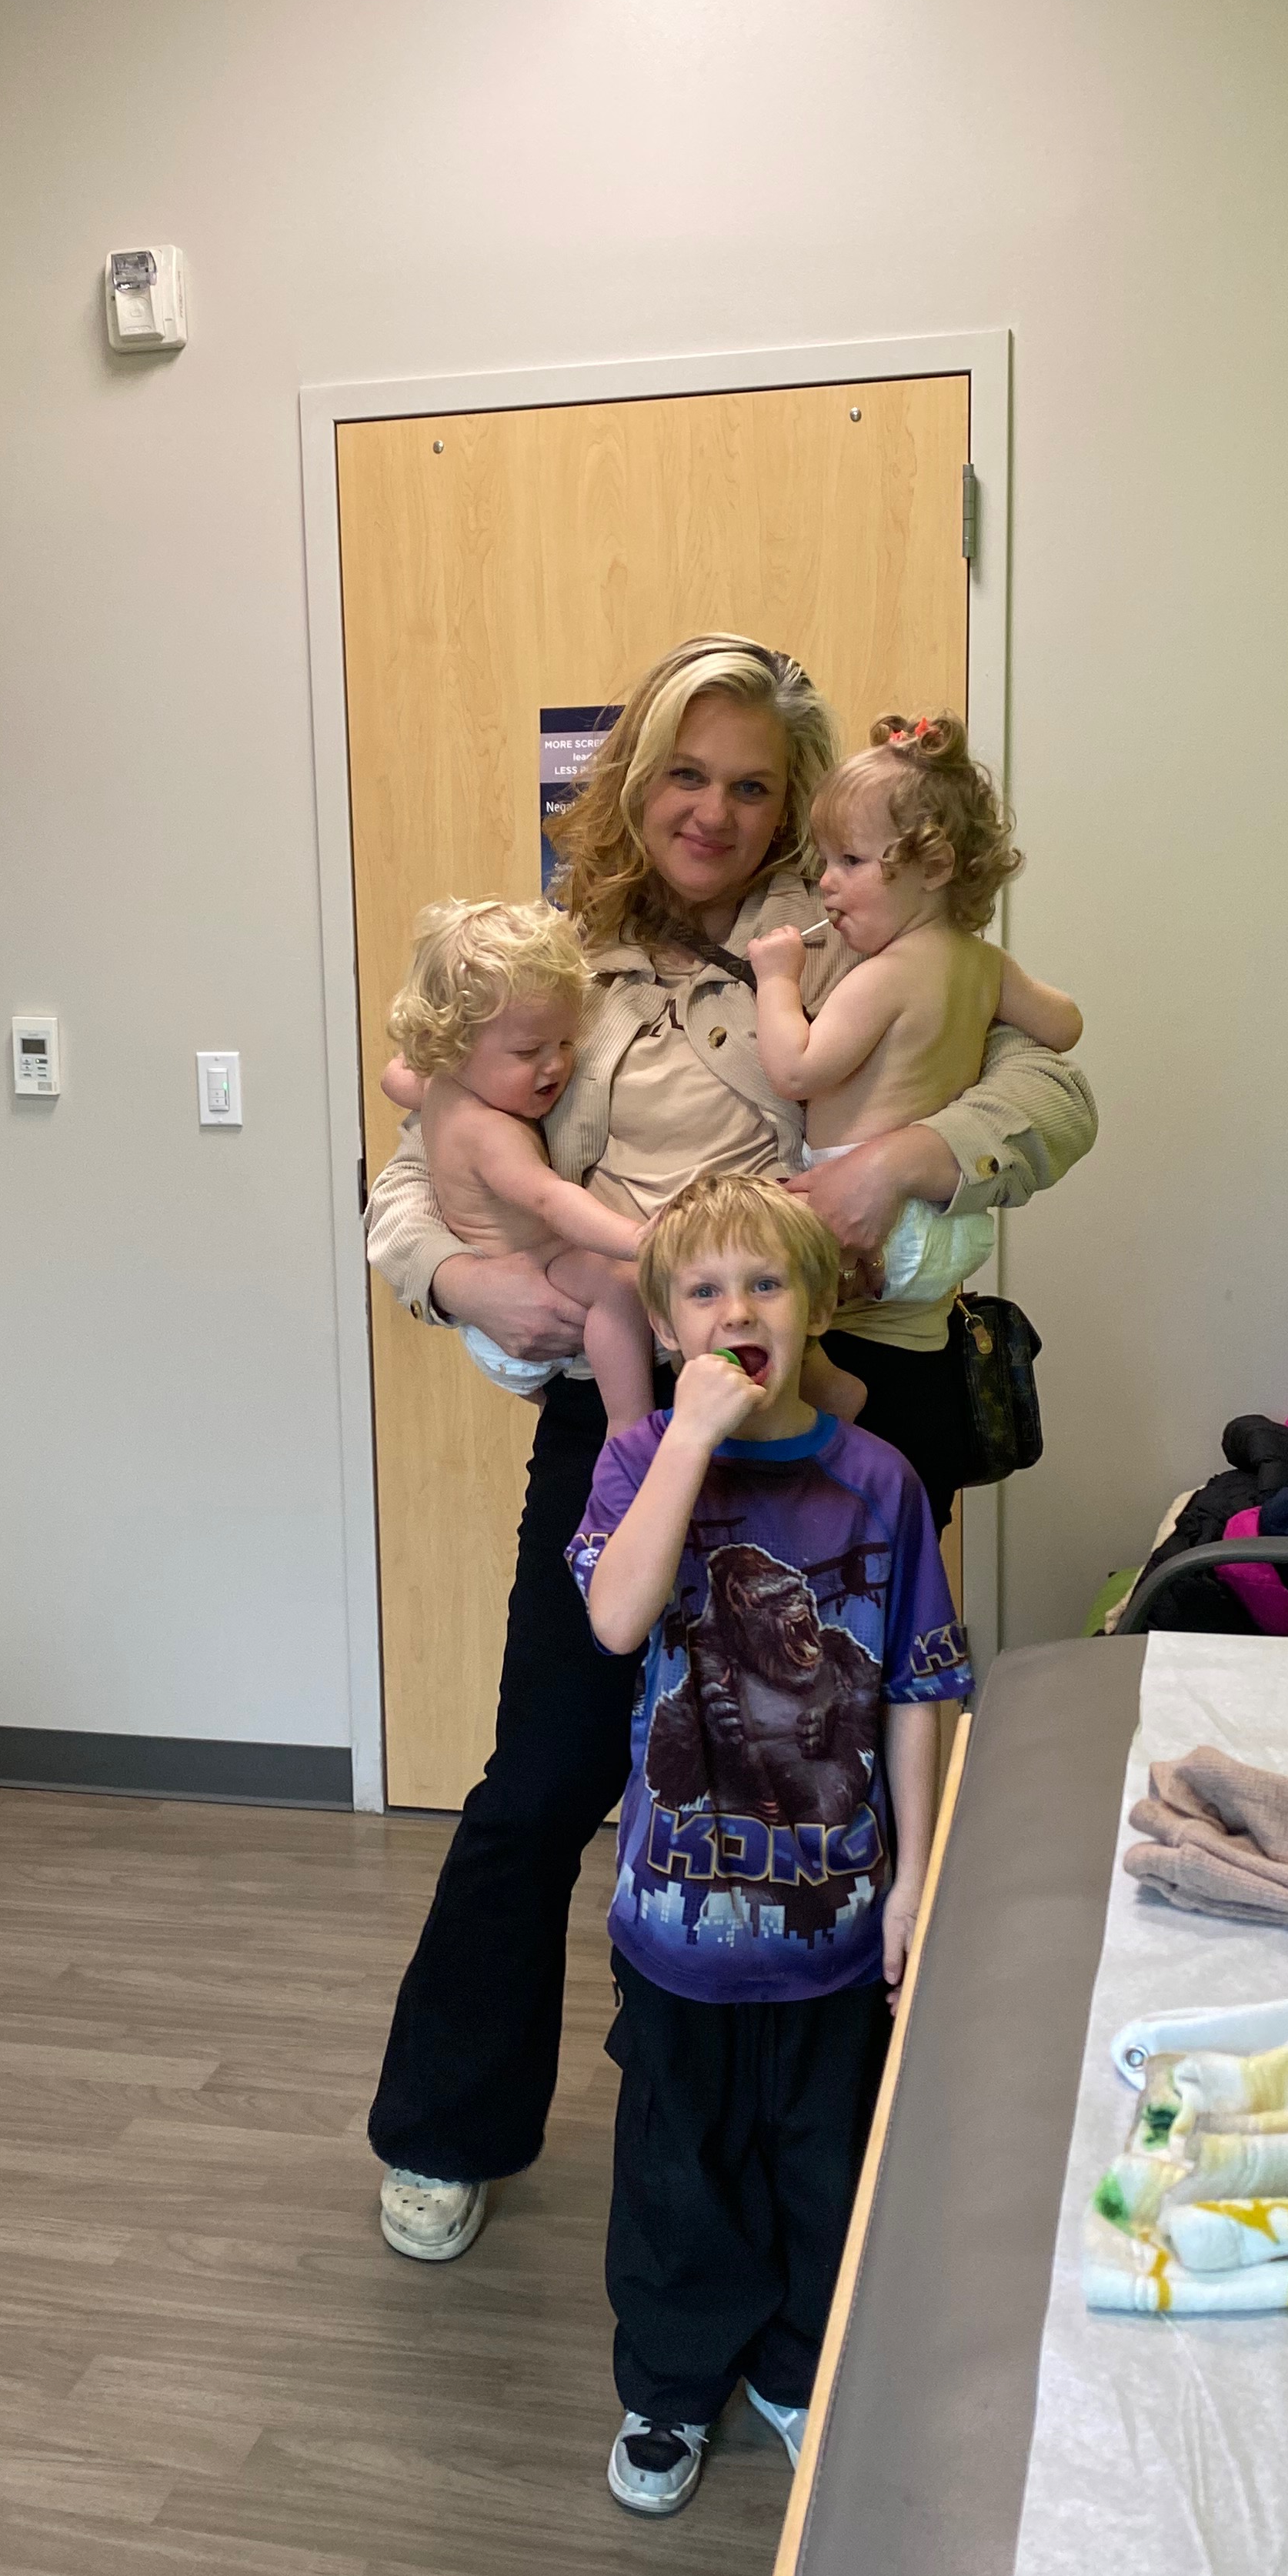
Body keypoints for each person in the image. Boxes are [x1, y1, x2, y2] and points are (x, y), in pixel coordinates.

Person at [365, 632, 1096, 2264]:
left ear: (793, 805)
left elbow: (1056, 1092)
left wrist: (910, 1152)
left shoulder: (852, 931)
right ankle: (445, 2124)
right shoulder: (552, 963)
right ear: (634, 780)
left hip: (835, 1411)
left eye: (753, 786)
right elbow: (419, 1163)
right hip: (628, 1418)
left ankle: (857, 2149)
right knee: (545, 1772)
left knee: (840, 1789)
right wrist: (458, 1276)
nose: (713, 810)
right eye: (685, 774)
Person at [569, 1173, 969, 2512]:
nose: (736, 1310)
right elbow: (616, 1620)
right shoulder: (639, 1462)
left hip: (832, 1922)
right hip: (676, 1926)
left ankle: (802, 2365)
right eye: (703, 1291)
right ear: (664, 1325)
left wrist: (916, 1878)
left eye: (765, 1283)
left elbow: (917, 1687)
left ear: (817, 1306)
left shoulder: (879, 1481)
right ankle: (672, 2384)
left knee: (819, 2159)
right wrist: (687, 1438)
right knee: (677, 2168)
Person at [749, 715, 1083, 1420]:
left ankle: (824, 1383)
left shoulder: (881, 977)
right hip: (949, 1221)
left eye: (850, 861)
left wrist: (777, 980)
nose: (826, 882)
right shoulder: (987, 964)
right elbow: (1065, 1026)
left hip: (870, 1219)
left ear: (934, 868)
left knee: (756, 1272)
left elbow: (796, 1072)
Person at [379, 896, 654, 1429]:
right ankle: (629, 1429)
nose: (556, 1064)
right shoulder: (490, 1132)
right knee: (619, 1284)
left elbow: (396, 1076)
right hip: (533, 1283)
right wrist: (640, 1240)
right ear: (454, 1045)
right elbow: (551, 1201)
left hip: (492, 1328)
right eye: (529, 1052)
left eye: (566, 1041)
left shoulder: (438, 1085)